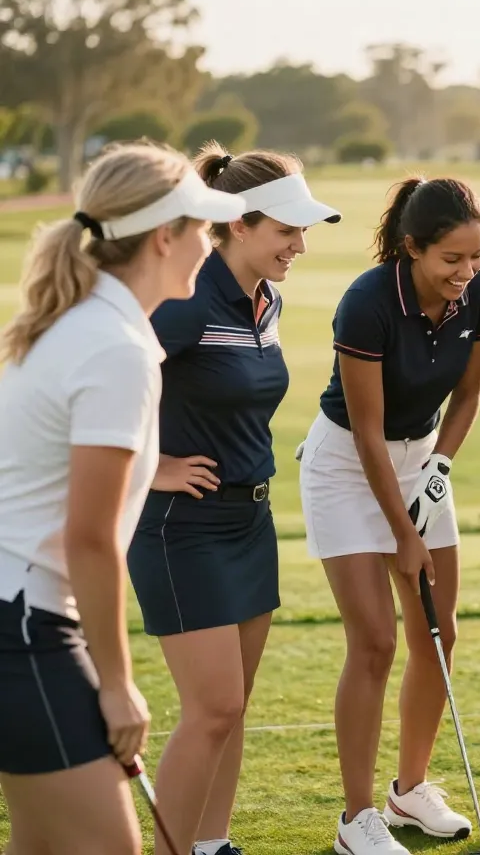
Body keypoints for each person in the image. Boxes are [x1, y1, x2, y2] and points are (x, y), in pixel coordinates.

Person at [0, 142, 246, 855]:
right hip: (22, 628)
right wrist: (116, 684)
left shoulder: (80, 325)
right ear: (165, 236)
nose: (211, 241)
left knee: (42, 845)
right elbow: (90, 538)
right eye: (203, 227)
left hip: (19, 619)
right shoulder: (115, 347)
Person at [123, 142, 340, 855]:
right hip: (180, 527)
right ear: (239, 225)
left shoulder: (266, 298)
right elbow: (100, 383)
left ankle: (212, 844)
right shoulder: (188, 300)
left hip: (249, 518)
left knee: (231, 708)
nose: (300, 246)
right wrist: (152, 467)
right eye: (287, 232)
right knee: (212, 708)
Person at [297, 176, 480, 855]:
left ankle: (410, 791)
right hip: (348, 464)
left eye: (475, 258)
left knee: (438, 633)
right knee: (376, 641)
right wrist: (405, 534)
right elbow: (366, 428)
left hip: (421, 460)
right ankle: (358, 819)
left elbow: (468, 397)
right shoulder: (367, 302)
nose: (466, 274)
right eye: (451, 260)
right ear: (412, 248)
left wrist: (439, 467)